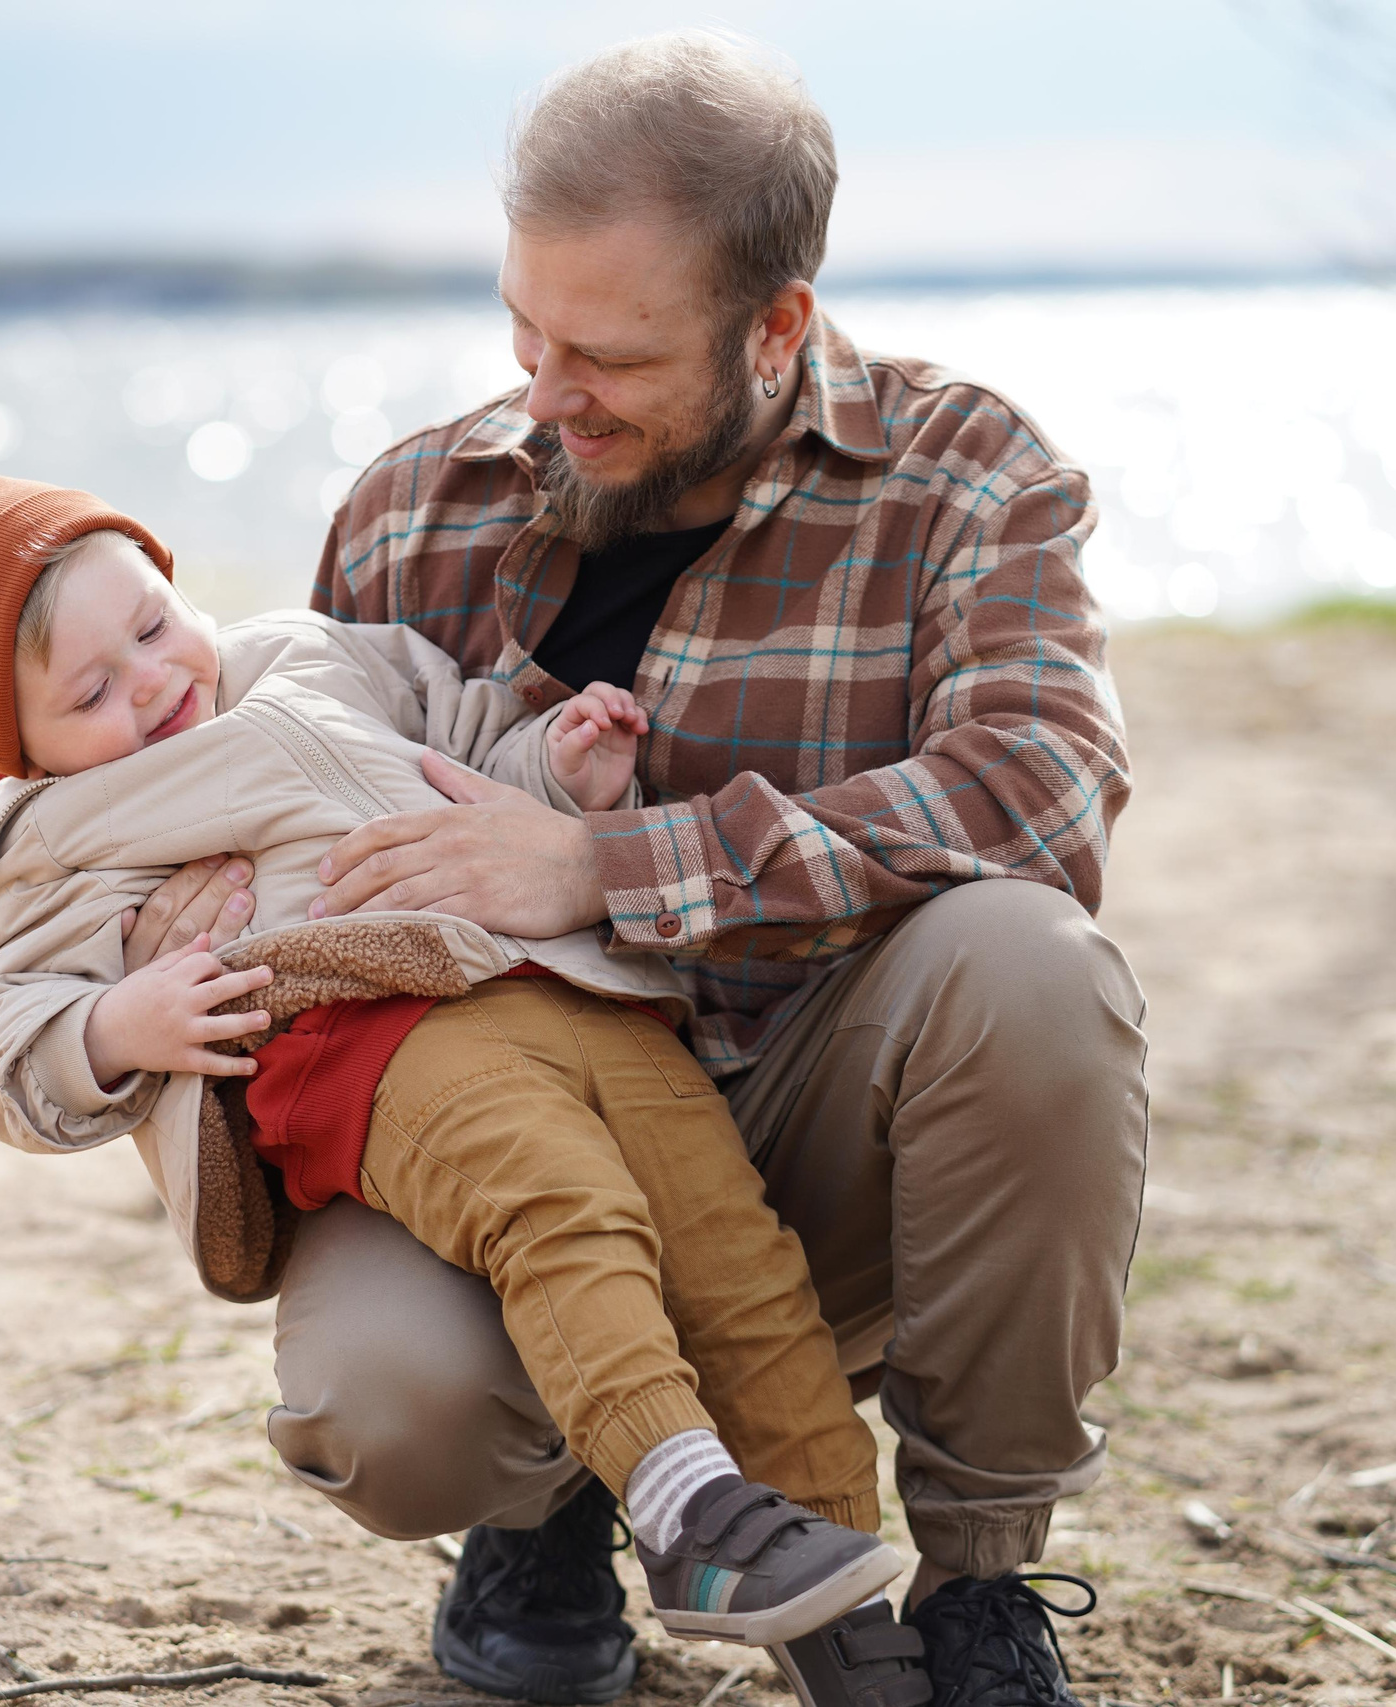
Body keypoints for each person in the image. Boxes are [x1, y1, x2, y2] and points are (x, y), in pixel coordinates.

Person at [117, 30, 1147, 1707]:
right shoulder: (409, 508)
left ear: (777, 329)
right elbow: (269, 818)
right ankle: (542, 1512)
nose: (545, 391)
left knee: (1032, 965)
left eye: (607, 353)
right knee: (385, 1405)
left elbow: (1041, 794)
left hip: (816, 1128)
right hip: (500, 1146)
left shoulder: (968, 479)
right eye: (525, 330)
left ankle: (973, 1588)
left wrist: (607, 862)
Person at [0, 472, 930, 1707]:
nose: (151, 684)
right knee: (557, 1199)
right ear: (21, 745)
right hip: (372, 1040)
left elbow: (469, 744)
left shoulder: (315, 655)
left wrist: (559, 770)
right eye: (89, 693)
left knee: (732, 1251)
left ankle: (850, 1621)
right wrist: (116, 1019)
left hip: (578, 991)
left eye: (151, 626)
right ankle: (687, 1504)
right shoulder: (55, 833)